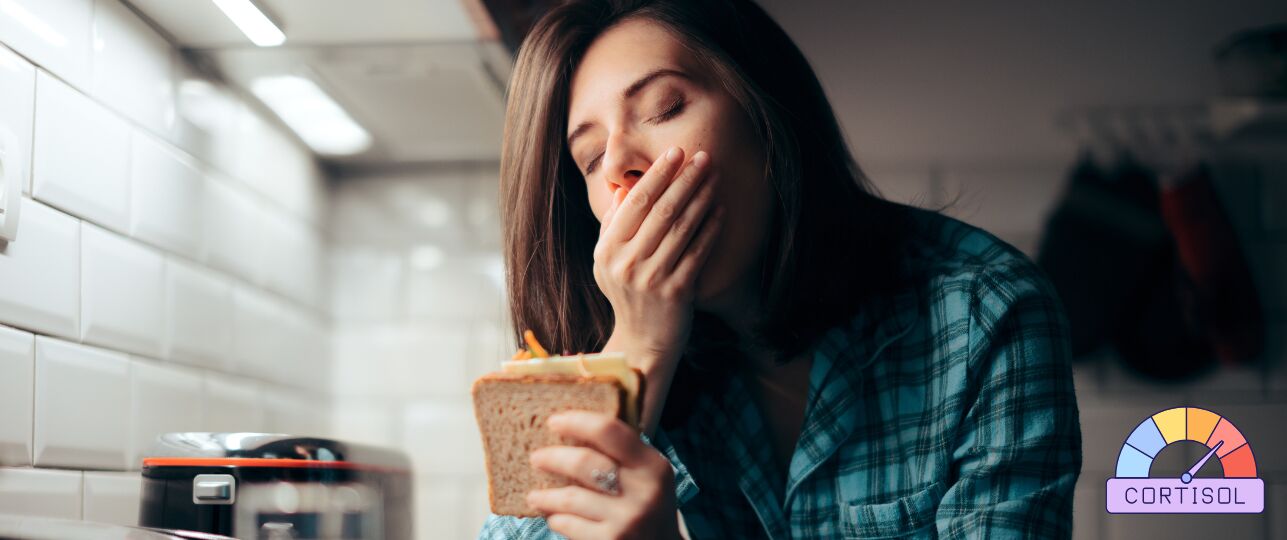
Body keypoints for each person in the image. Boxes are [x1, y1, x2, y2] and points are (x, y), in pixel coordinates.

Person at [482, 0, 1082, 538]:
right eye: (588, 159)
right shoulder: (624, 348)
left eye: (664, 108)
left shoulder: (987, 312)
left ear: (766, 115)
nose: (618, 166)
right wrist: (636, 346)